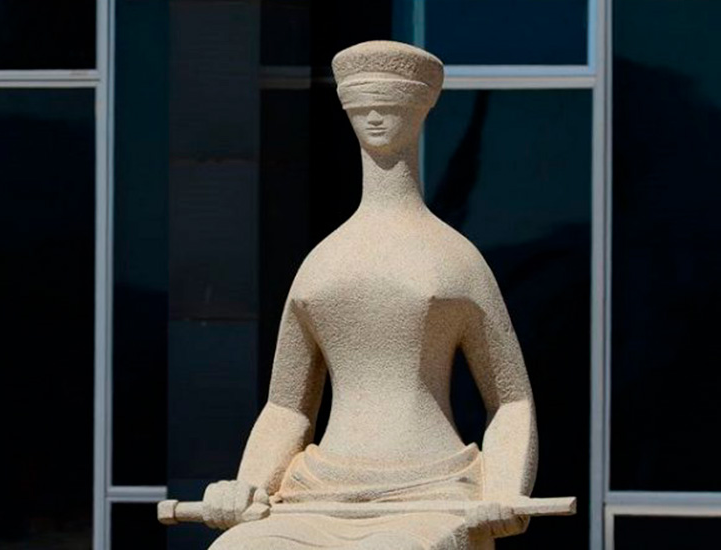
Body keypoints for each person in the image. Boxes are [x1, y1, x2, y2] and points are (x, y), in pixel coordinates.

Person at [203, 41, 538, 550]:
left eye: (390, 105)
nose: (376, 117)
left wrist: (504, 489)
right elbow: (286, 407)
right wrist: (246, 485)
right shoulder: (322, 263)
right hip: (317, 490)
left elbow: (511, 399)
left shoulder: (455, 258)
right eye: (364, 107)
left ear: (420, 110)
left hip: (432, 488)